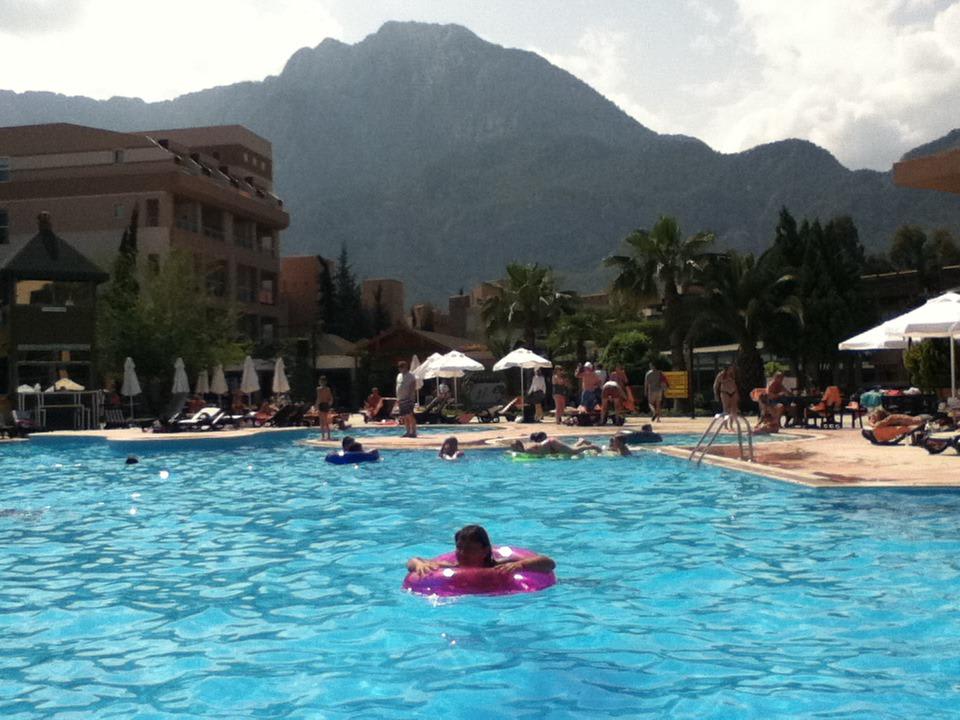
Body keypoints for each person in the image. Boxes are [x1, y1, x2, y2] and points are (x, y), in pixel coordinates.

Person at [406, 524, 556, 578]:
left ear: (485, 551)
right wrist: (419, 565)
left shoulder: (500, 566)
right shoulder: (451, 567)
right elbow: (413, 561)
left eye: (469, 549)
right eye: (459, 548)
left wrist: (521, 565)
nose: (462, 553)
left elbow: (549, 563)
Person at [510, 434, 600, 456]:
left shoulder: (528, 451)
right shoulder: (524, 449)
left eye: (514, 448)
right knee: (569, 449)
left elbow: (540, 456)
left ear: (519, 447)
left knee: (573, 452)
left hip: (552, 444)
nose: (513, 450)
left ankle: (593, 447)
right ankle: (581, 441)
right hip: (550, 446)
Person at [396, 360, 418, 438]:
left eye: (401, 367)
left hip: (408, 399)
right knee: (404, 416)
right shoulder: (399, 375)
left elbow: (413, 386)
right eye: (399, 367)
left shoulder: (411, 376)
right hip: (401, 399)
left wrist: (410, 396)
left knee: (409, 415)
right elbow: (398, 387)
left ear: (405, 367)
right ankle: (408, 431)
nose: (400, 369)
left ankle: (414, 432)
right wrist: (398, 398)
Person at [315, 376, 334, 441]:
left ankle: (323, 437)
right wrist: (329, 404)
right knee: (326, 422)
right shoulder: (328, 389)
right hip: (326, 405)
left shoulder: (318, 389)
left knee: (321, 422)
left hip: (321, 405)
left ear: (320, 382)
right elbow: (331, 398)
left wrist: (316, 405)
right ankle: (328, 436)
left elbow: (319, 398)